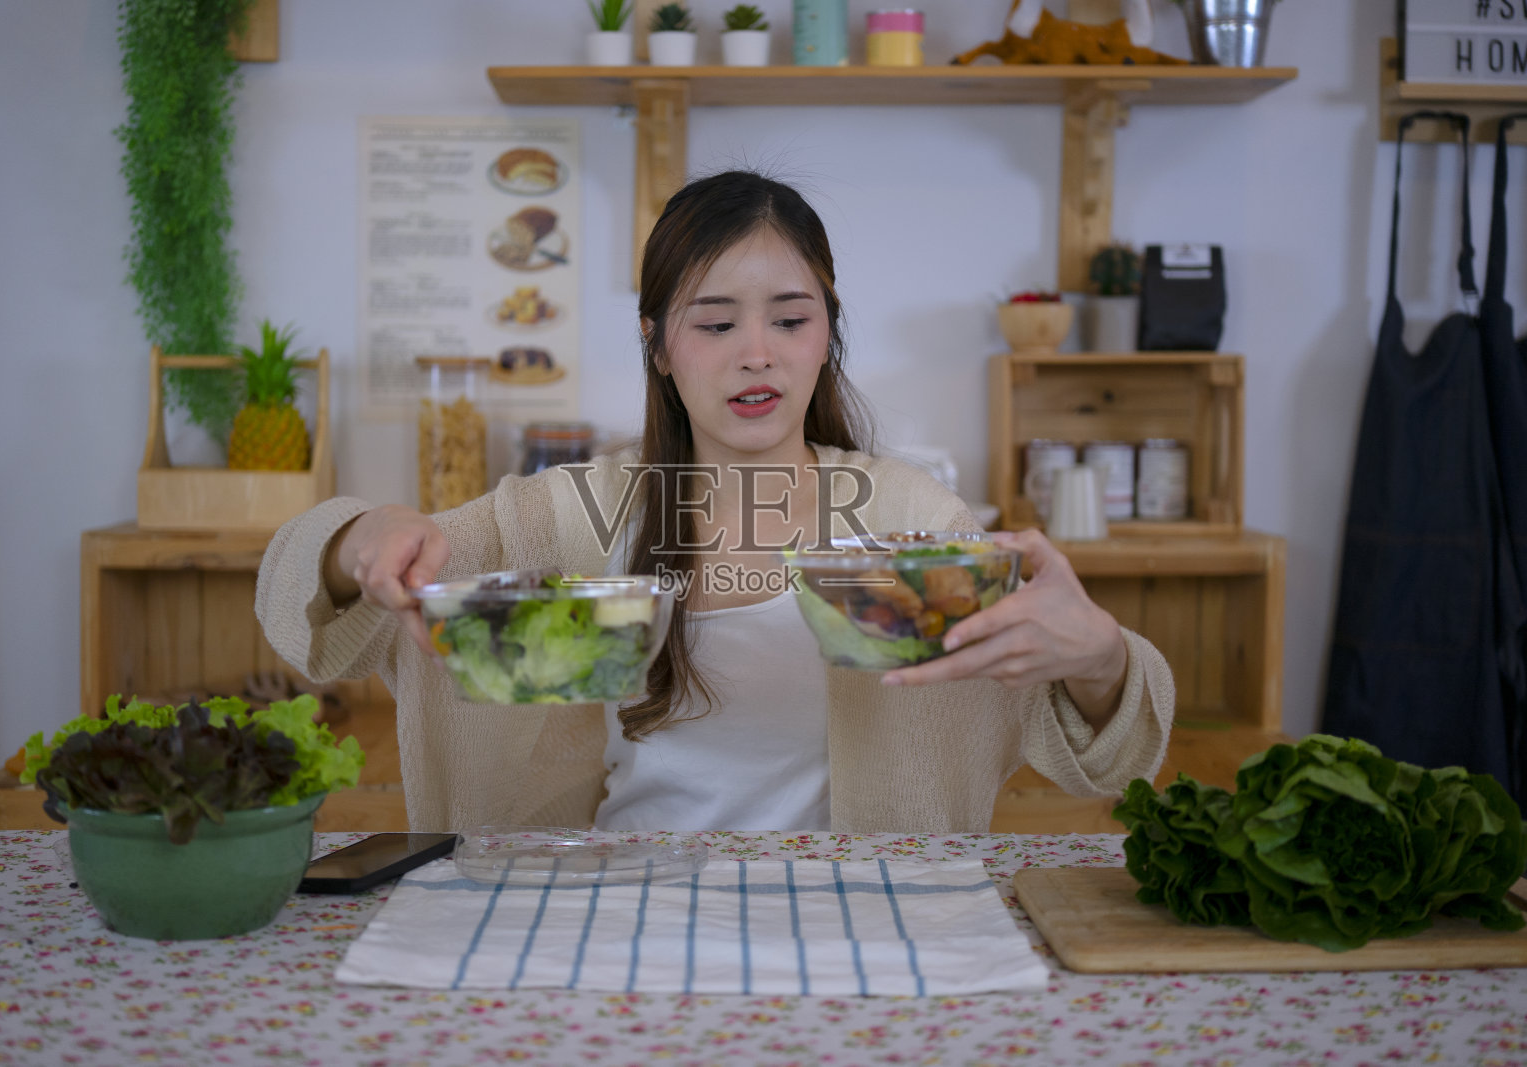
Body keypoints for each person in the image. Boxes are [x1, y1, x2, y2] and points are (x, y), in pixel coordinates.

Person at [256, 170, 1174, 834]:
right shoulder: (573, 513)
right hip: (614, 908)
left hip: (854, 913)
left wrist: (1096, 655)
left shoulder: (914, 520)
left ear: (827, 338)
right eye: (716, 321)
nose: (757, 353)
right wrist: (358, 538)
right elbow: (316, 607)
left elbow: (1111, 751)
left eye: (789, 318)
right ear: (659, 345)